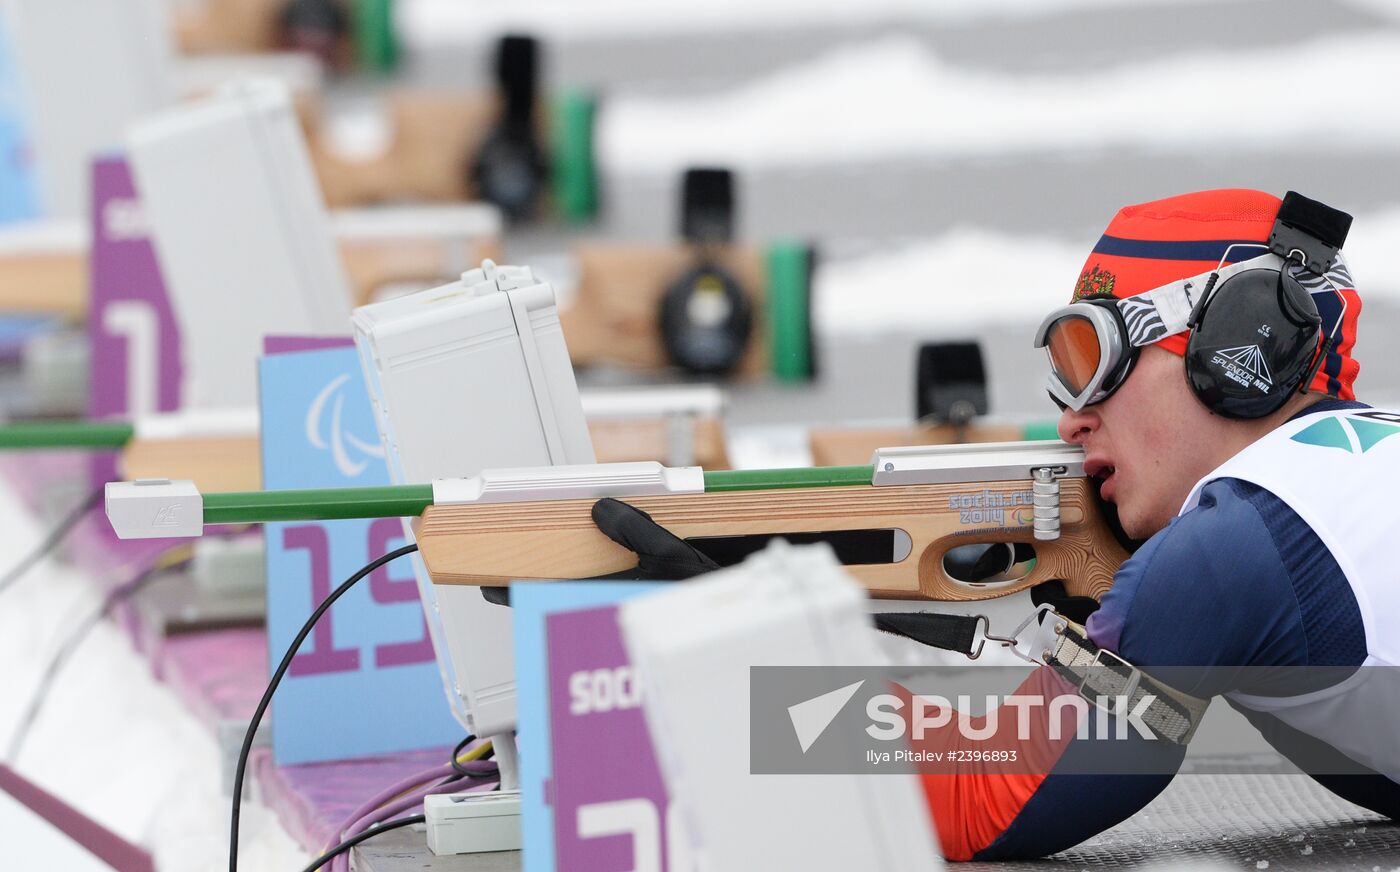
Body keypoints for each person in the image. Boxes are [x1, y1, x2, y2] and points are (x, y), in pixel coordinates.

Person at [587, 188, 1399, 860]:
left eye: (1093, 361)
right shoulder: (1330, 494)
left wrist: (739, 666)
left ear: (1232, 344)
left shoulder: (1238, 548)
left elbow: (986, 798)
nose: (1072, 421)